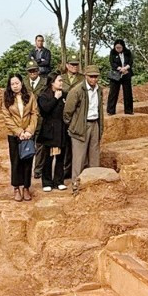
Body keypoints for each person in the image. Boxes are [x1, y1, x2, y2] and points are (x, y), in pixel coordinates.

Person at [63, 65, 104, 194]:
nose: (94, 79)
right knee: (79, 159)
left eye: (96, 76)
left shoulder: (99, 90)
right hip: (81, 126)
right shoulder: (77, 90)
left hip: (94, 123)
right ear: (86, 76)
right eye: (91, 76)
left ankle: (94, 185)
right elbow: (67, 111)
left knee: (94, 157)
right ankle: (76, 187)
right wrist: (74, 125)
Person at [1, 74, 39, 201]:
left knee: (28, 160)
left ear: (21, 83)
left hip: (28, 134)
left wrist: (29, 131)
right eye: (12, 84)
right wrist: (19, 132)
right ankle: (16, 188)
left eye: (17, 83)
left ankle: (26, 187)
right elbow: (7, 117)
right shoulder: (6, 98)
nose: (15, 86)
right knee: (16, 161)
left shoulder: (30, 96)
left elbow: (34, 113)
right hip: (14, 135)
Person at [37, 73, 68, 192]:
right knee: (48, 158)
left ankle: (59, 181)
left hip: (61, 130)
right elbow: (45, 110)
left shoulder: (65, 94)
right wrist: (55, 98)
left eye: (62, 81)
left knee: (60, 157)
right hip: (49, 130)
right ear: (52, 82)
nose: (61, 83)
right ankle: (47, 182)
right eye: (59, 80)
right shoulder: (43, 95)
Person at [60, 55, 84, 180]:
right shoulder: (61, 78)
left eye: (76, 64)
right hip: (62, 114)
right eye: (72, 64)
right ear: (67, 65)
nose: (74, 67)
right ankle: (63, 169)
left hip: (77, 115)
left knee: (74, 143)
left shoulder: (82, 78)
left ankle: (71, 170)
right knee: (64, 143)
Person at [107, 39, 134, 115]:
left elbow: (130, 62)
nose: (118, 49)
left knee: (128, 93)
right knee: (113, 93)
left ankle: (129, 110)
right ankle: (111, 111)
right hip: (116, 74)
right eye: (117, 47)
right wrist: (120, 68)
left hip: (126, 73)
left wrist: (125, 68)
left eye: (120, 47)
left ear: (123, 47)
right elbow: (112, 63)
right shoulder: (112, 52)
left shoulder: (128, 52)